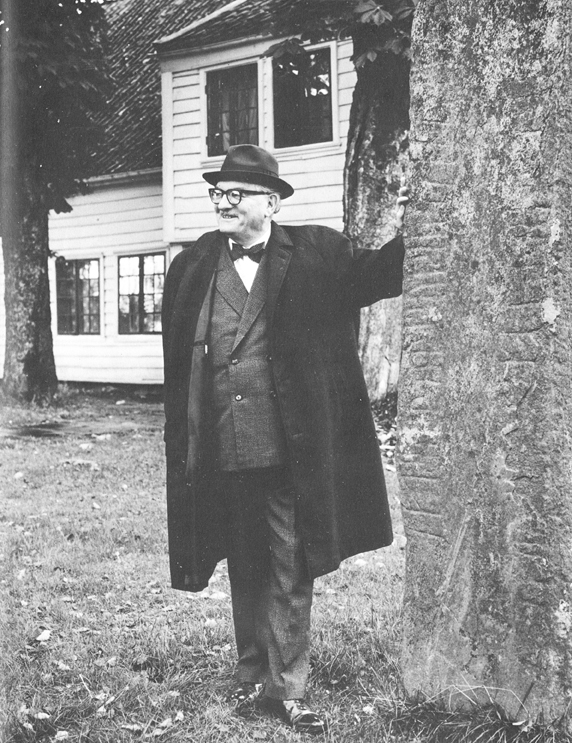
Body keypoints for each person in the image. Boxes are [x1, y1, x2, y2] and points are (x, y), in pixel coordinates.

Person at [161, 144, 408, 735]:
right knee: (242, 560)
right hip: (219, 445)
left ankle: (288, 687)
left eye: (237, 193)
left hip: (290, 447)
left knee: (289, 563)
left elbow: (383, 273)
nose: (223, 202)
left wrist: (421, 220)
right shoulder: (192, 265)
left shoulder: (318, 252)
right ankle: (251, 673)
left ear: (271, 203)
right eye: (218, 193)